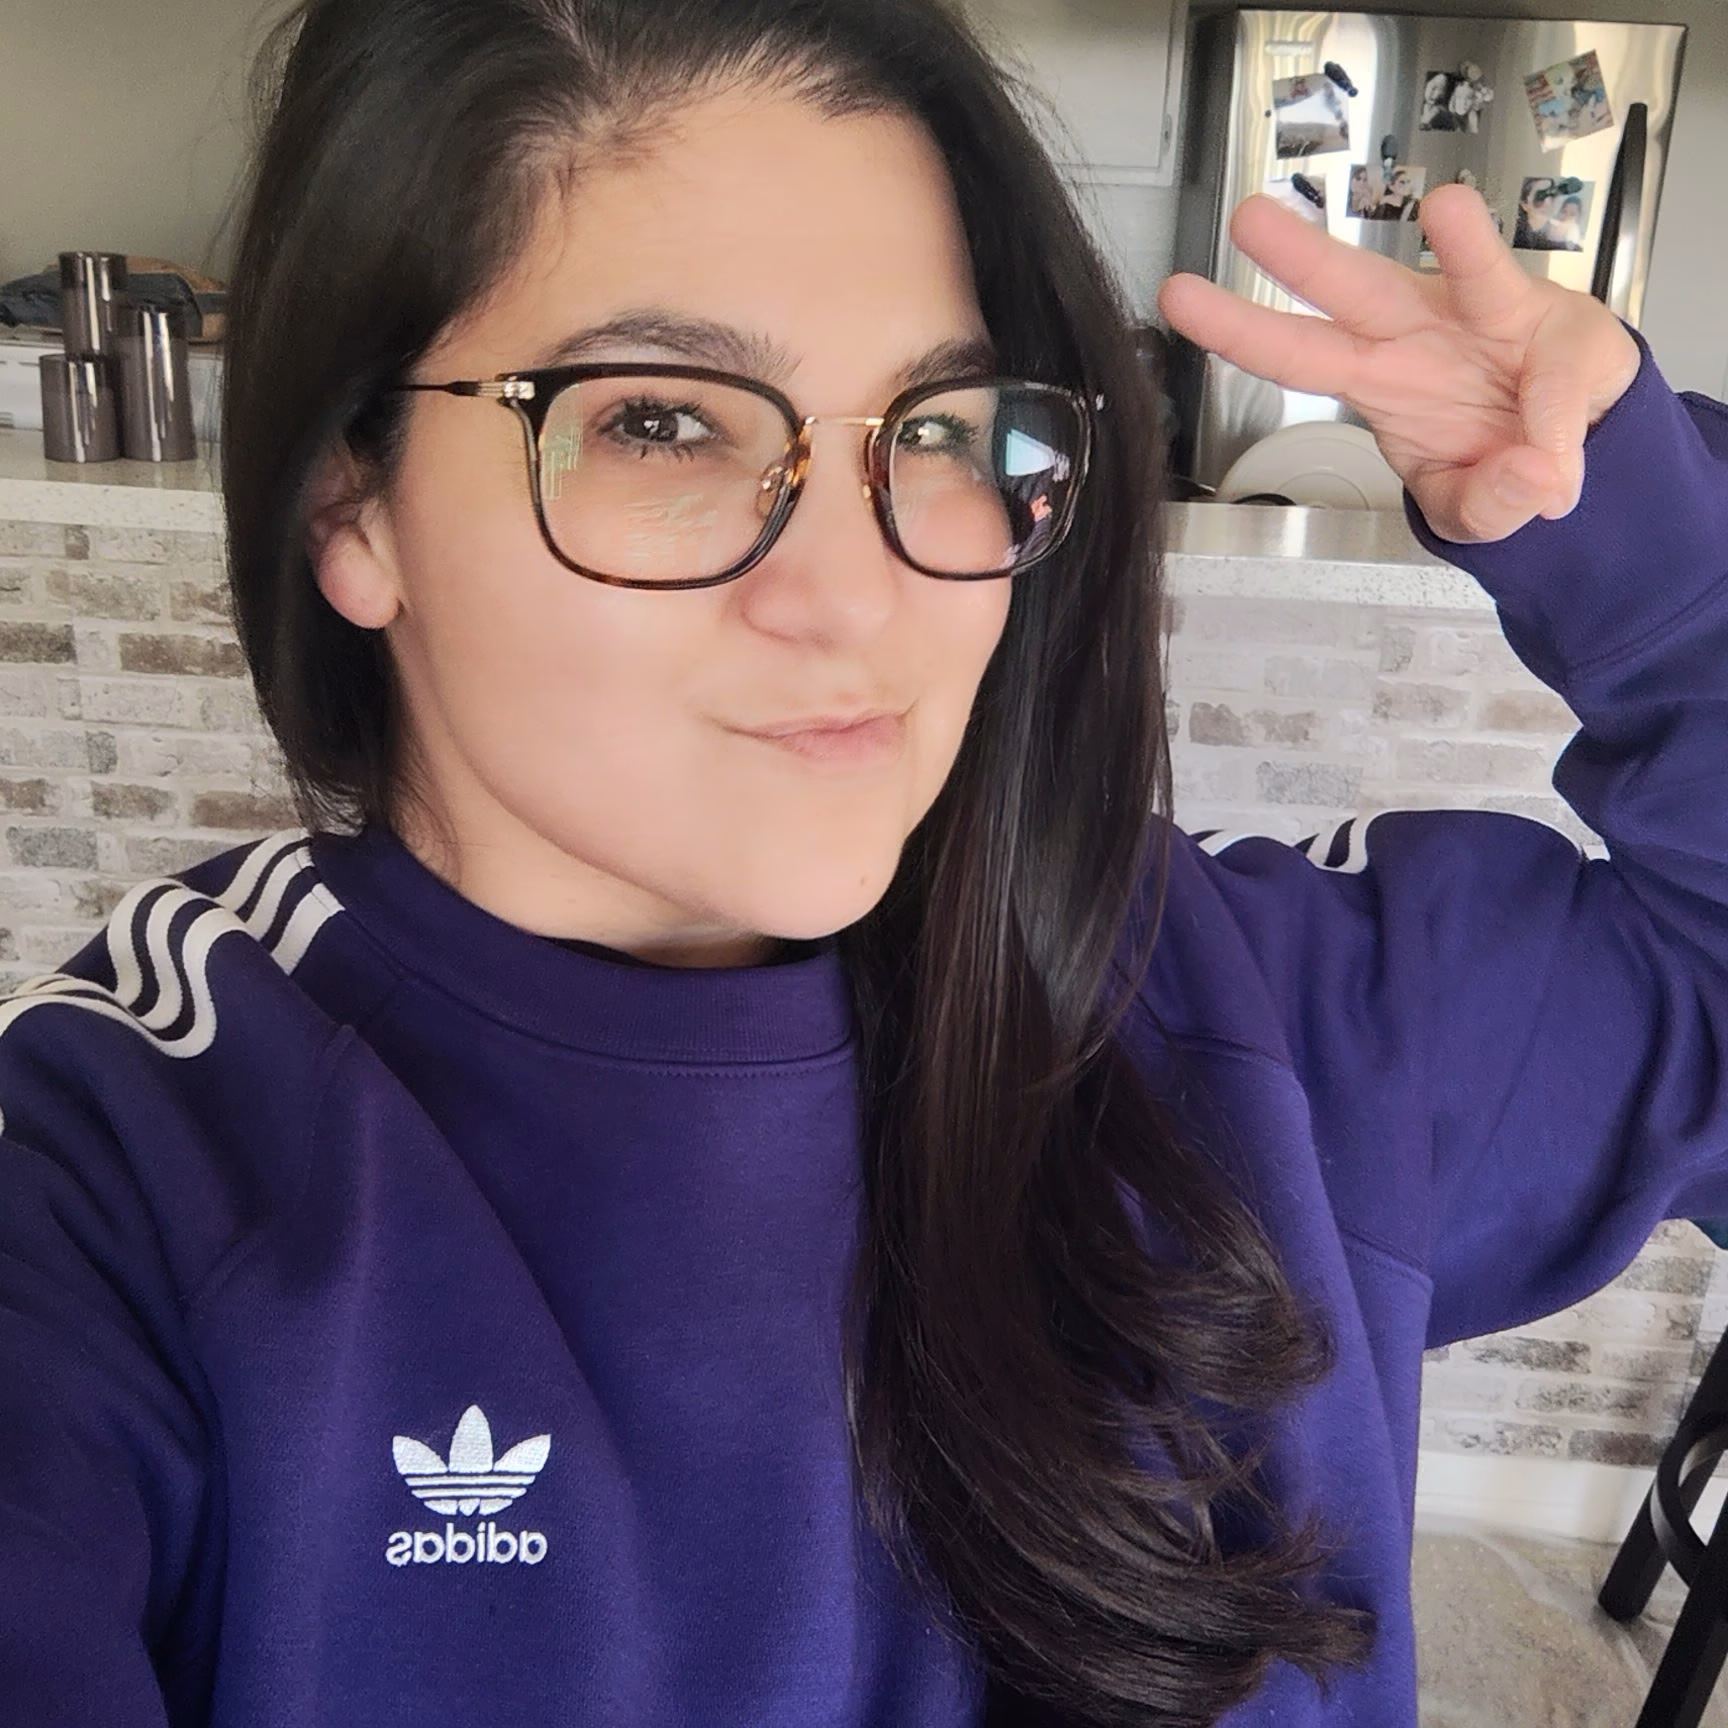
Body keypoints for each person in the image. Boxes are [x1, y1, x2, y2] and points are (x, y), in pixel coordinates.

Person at [0, 1, 1724, 1724]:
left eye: (941, 427)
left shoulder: (1253, 1014)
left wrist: (1651, 551)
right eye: (660, 422)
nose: (854, 593)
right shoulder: (126, 1176)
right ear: (348, 504)